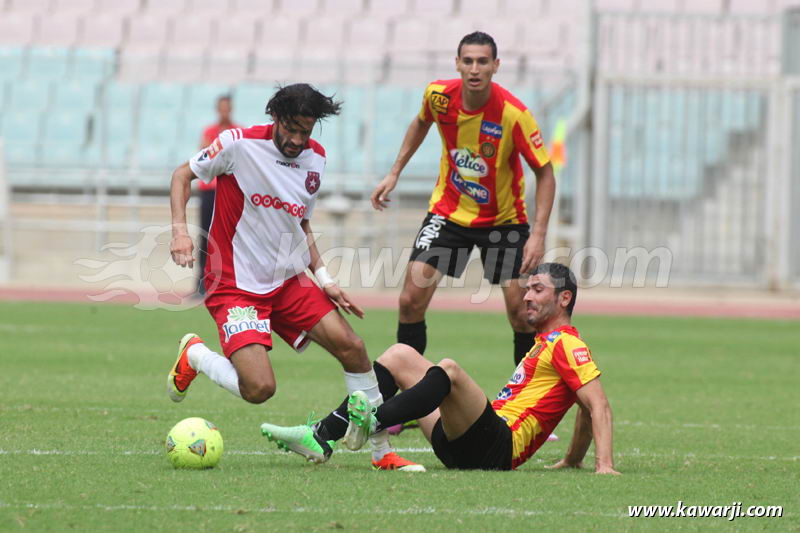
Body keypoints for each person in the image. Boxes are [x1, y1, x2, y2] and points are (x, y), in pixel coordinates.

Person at [167, 83, 423, 472]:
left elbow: (300, 223)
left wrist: (324, 278)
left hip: (288, 280)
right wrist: (180, 231)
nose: (297, 140)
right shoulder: (238, 144)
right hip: (235, 284)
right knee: (260, 389)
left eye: (306, 131)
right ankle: (197, 355)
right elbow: (182, 176)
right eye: (291, 129)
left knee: (353, 347)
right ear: (276, 118)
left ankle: (380, 451)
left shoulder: (316, 159)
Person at [262, 263, 619, 474]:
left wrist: (603, 464)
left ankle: (373, 420)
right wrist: (572, 461)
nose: (527, 296)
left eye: (538, 290)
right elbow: (583, 403)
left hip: (497, 449)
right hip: (464, 443)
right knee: (401, 354)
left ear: (564, 298)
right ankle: (323, 434)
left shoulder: (568, 344)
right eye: (528, 289)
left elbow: (597, 405)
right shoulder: (546, 344)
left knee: (449, 370)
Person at [370, 31, 557, 368]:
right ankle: (410, 394)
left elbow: (545, 172)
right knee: (410, 300)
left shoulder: (514, 114)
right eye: (468, 61)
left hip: (503, 221)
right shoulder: (439, 96)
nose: (474, 68)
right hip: (448, 214)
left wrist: (539, 234)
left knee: (521, 313)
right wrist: (394, 171)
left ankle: (523, 403)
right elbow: (420, 122)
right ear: (457, 63)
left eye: (482, 61)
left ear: (495, 66)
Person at [196, 95, 240, 296]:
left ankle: (227, 283)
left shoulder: (237, 132)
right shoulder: (210, 131)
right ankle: (201, 283)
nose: (224, 111)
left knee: (229, 238)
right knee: (205, 236)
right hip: (209, 190)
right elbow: (203, 158)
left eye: (226, 108)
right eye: (221, 108)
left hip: (228, 191)